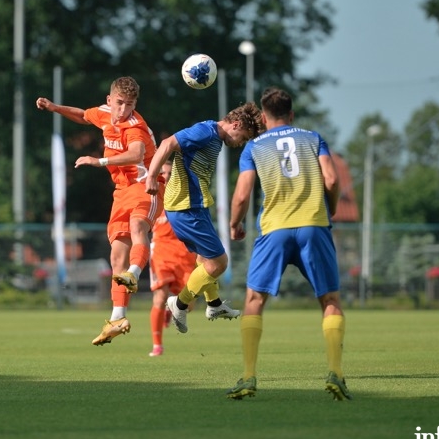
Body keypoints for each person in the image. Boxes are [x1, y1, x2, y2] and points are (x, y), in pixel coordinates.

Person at [227, 87, 350, 401]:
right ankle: (335, 371)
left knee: (255, 299)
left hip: (276, 229)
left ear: (265, 118)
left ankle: (248, 376)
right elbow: (333, 180)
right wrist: (331, 207)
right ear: (291, 114)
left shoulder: (254, 146)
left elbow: (242, 194)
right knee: (330, 299)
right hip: (314, 224)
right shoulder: (313, 138)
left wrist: (234, 223)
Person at [36, 76, 162, 346]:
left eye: (129, 104)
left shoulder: (135, 126)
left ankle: (135, 274)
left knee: (139, 228)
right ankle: (118, 318)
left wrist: (99, 160)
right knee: (117, 255)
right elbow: (83, 115)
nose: (123, 109)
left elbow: (137, 154)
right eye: (119, 103)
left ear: (134, 104)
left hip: (145, 186)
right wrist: (54, 107)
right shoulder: (104, 114)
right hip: (121, 192)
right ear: (109, 100)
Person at [144, 103, 264, 334]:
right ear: (236, 124)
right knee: (219, 263)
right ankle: (179, 304)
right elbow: (168, 143)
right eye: (243, 137)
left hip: (194, 207)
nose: (241, 143)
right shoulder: (205, 132)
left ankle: (214, 304)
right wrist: (151, 176)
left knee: (204, 259)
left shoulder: (213, 137)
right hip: (186, 207)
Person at [147, 160, 197, 357]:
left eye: (169, 173)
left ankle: (172, 309)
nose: (166, 177)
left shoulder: (187, 195)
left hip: (185, 253)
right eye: (163, 173)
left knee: (189, 304)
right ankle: (157, 344)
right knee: (159, 296)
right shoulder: (153, 194)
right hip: (161, 251)